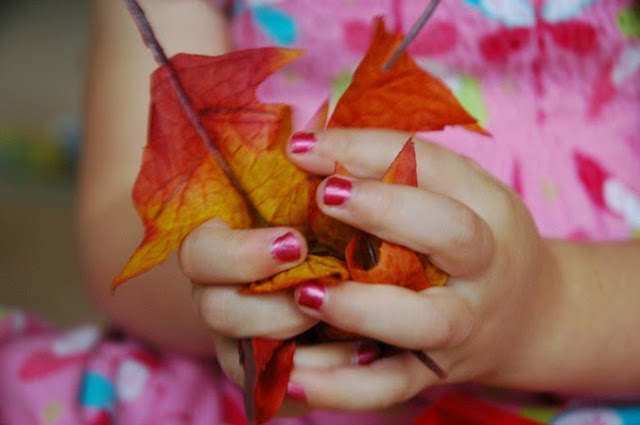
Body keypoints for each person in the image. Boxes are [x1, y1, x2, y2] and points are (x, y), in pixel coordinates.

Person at [1, 0, 638, 424]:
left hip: (591, 361)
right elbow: (119, 219)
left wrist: (544, 310)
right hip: (254, 388)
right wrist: (239, 277)